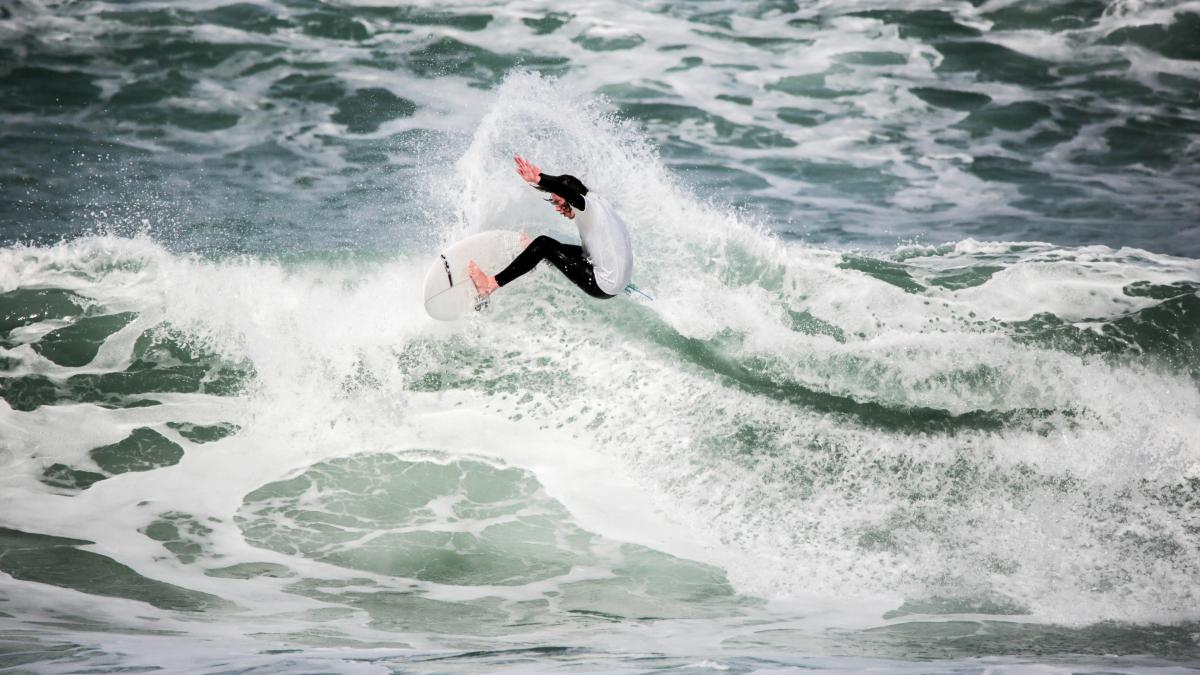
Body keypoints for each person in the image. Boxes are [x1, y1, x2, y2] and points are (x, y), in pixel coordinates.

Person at [467, 156, 632, 300]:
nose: (557, 208)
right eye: (554, 203)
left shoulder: (587, 207)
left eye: (559, 203)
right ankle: (533, 256)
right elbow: (567, 187)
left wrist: (540, 179)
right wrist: (544, 182)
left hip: (603, 285)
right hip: (618, 279)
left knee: (544, 244)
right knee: (558, 250)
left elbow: (568, 192)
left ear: (571, 199)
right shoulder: (597, 200)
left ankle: (490, 285)